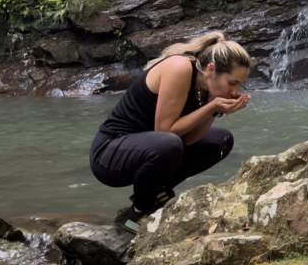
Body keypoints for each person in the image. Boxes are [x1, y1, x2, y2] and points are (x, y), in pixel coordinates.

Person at [89, 31, 252, 233]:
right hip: (111, 153)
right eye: (232, 83)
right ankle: (137, 214)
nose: (235, 91)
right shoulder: (180, 67)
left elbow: (191, 139)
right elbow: (165, 131)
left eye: (239, 85)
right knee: (169, 143)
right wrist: (211, 107)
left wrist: (214, 108)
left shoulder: (206, 88)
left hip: (154, 150)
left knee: (223, 140)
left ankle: (156, 192)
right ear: (211, 69)